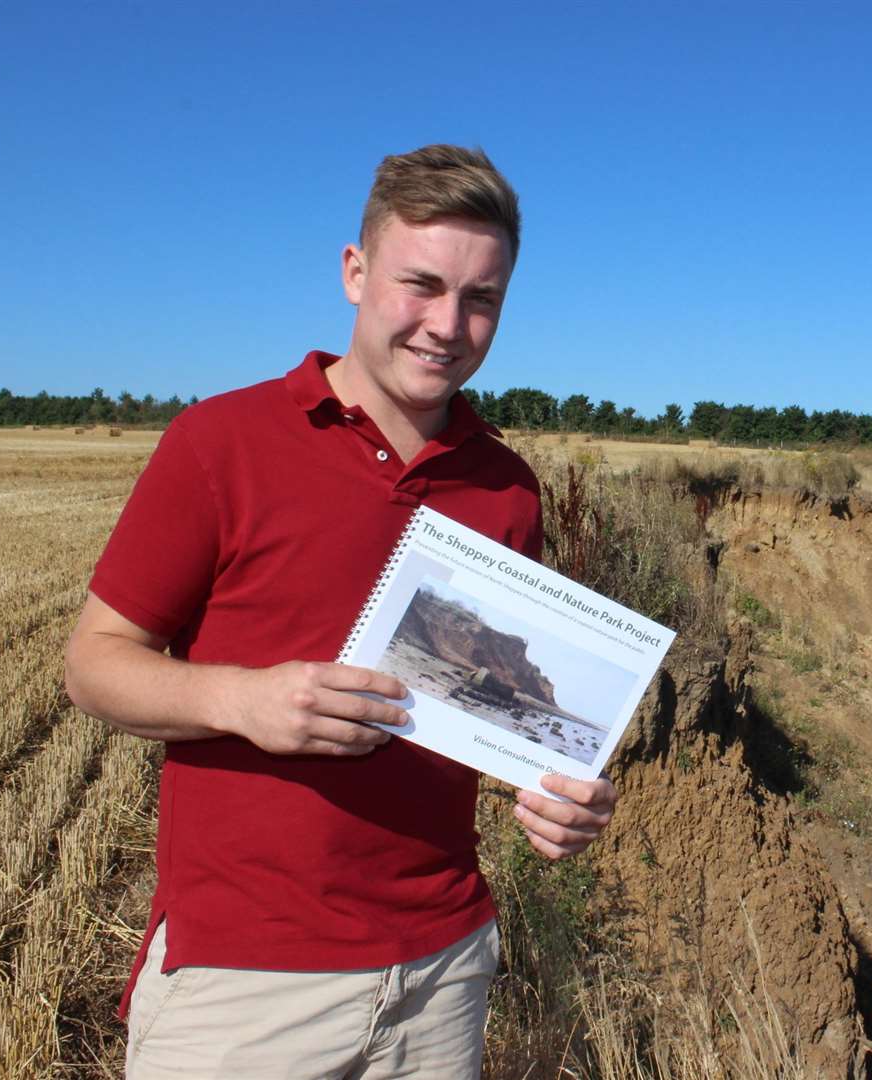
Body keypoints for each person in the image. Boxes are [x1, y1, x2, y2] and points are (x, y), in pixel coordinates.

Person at [63, 144, 615, 1078]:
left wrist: (554, 794)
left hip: (441, 972)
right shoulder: (222, 442)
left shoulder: (507, 489)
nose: (448, 325)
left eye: (481, 299)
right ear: (355, 274)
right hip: (243, 979)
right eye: (422, 285)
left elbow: (487, 723)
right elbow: (93, 666)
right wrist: (244, 700)